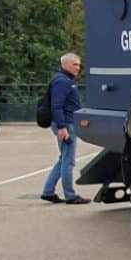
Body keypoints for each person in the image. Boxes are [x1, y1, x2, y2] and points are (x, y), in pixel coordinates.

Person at [40, 52, 90, 204]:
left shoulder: (64, 80)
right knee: (69, 161)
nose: (78, 68)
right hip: (66, 124)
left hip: (66, 123)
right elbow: (57, 105)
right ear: (65, 64)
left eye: (79, 65)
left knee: (63, 159)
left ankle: (48, 191)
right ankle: (70, 195)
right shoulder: (62, 81)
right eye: (75, 64)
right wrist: (62, 127)